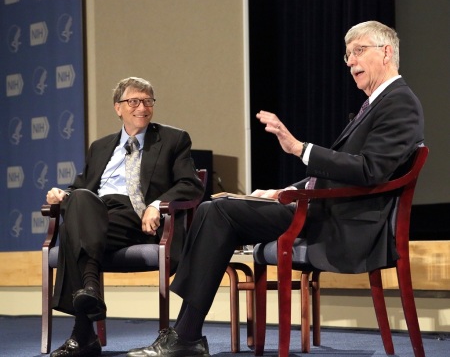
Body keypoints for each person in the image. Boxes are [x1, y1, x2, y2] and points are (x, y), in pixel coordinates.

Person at [127, 20, 425, 357]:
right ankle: (185, 334)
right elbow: (336, 177)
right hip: (323, 209)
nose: (351, 61)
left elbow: (370, 170)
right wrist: (282, 191)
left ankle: (186, 336)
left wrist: (301, 149)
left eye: (358, 51)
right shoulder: (375, 104)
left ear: (387, 52)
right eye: (347, 55)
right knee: (215, 207)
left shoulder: (399, 103)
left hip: (345, 224)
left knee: (219, 212)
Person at [46, 77, 205, 357]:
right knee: (80, 199)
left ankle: (83, 335)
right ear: (118, 108)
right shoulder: (100, 146)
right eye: (133, 101)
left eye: (147, 101)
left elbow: (191, 184)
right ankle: (91, 290)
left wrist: (157, 204)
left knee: (74, 230)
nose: (141, 107)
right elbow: (81, 186)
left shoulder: (173, 139)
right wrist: (61, 194)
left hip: (137, 215)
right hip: (96, 212)